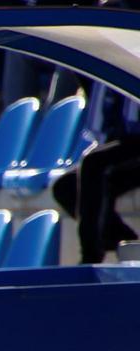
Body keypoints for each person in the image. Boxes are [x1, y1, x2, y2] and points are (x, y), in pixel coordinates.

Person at [52, 82, 140, 263]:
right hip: (123, 141)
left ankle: (90, 256)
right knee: (65, 187)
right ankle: (126, 243)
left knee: (94, 164)